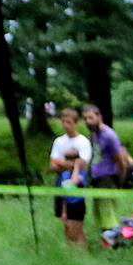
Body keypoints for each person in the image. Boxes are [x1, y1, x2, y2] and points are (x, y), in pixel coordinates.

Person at [82, 104, 132, 235]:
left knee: (108, 214)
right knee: (99, 213)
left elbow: (121, 161)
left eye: (91, 118)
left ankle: (112, 242)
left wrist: (119, 181)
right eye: (85, 119)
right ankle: (106, 239)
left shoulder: (109, 135)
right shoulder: (93, 134)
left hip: (108, 179)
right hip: (96, 179)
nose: (88, 122)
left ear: (99, 117)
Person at [48, 106, 92, 247]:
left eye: (69, 122)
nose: (65, 125)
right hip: (61, 184)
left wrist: (64, 163)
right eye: (63, 122)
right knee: (65, 221)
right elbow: (53, 165)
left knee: (76, 223)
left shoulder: (83, 142)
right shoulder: (59, 142)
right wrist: (70, 164)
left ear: (75, 123)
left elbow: (83, 164)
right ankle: (71, 251)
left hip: (76, 185)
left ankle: (82, 251)